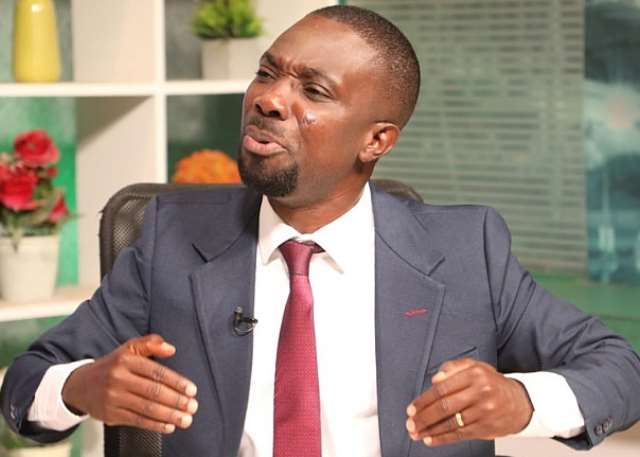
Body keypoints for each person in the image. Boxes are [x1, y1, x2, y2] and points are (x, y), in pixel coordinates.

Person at [2, 5, 640, 457]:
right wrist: (81, 387)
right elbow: (27, 382)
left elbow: (621, 370)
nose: (269, 99)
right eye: (267, 72)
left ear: (376, 140)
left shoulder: (466, 248)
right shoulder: (170, 238)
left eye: (313, 90)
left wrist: (523, 402)